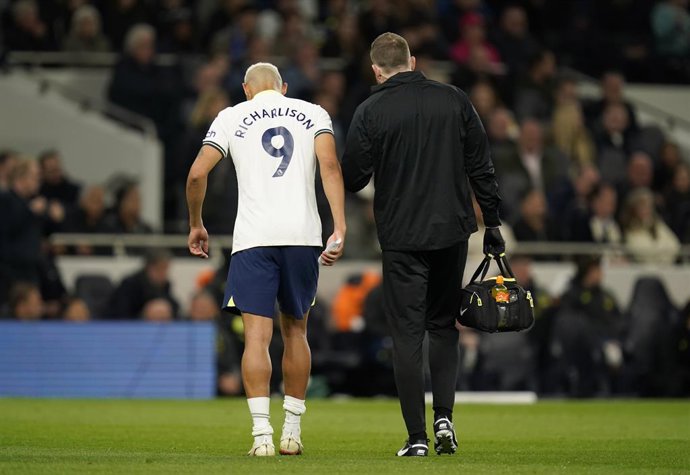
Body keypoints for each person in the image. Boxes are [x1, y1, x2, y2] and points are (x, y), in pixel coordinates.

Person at [341, 33, 504, 457]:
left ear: (376, 70)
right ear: (412, 61)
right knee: (443, 327)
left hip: (401, 237)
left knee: (407, 334)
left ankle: (416, 438)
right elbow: (482, 167)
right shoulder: (454, 100)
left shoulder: (370, 110)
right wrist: (494, 224)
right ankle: (445, 419)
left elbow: (354, 178)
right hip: (451, 231)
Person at [185, 62, 346, 457]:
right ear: (284, 87)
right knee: (296, 332)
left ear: (246, 89)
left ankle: (261, 437)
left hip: (254, 240)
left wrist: (196, 223)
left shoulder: (230, 116)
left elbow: (195, 175)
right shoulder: (313, 113)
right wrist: (339, 227)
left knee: (257, 337)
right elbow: (329, 166)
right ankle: (292, 432)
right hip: (302, 236)